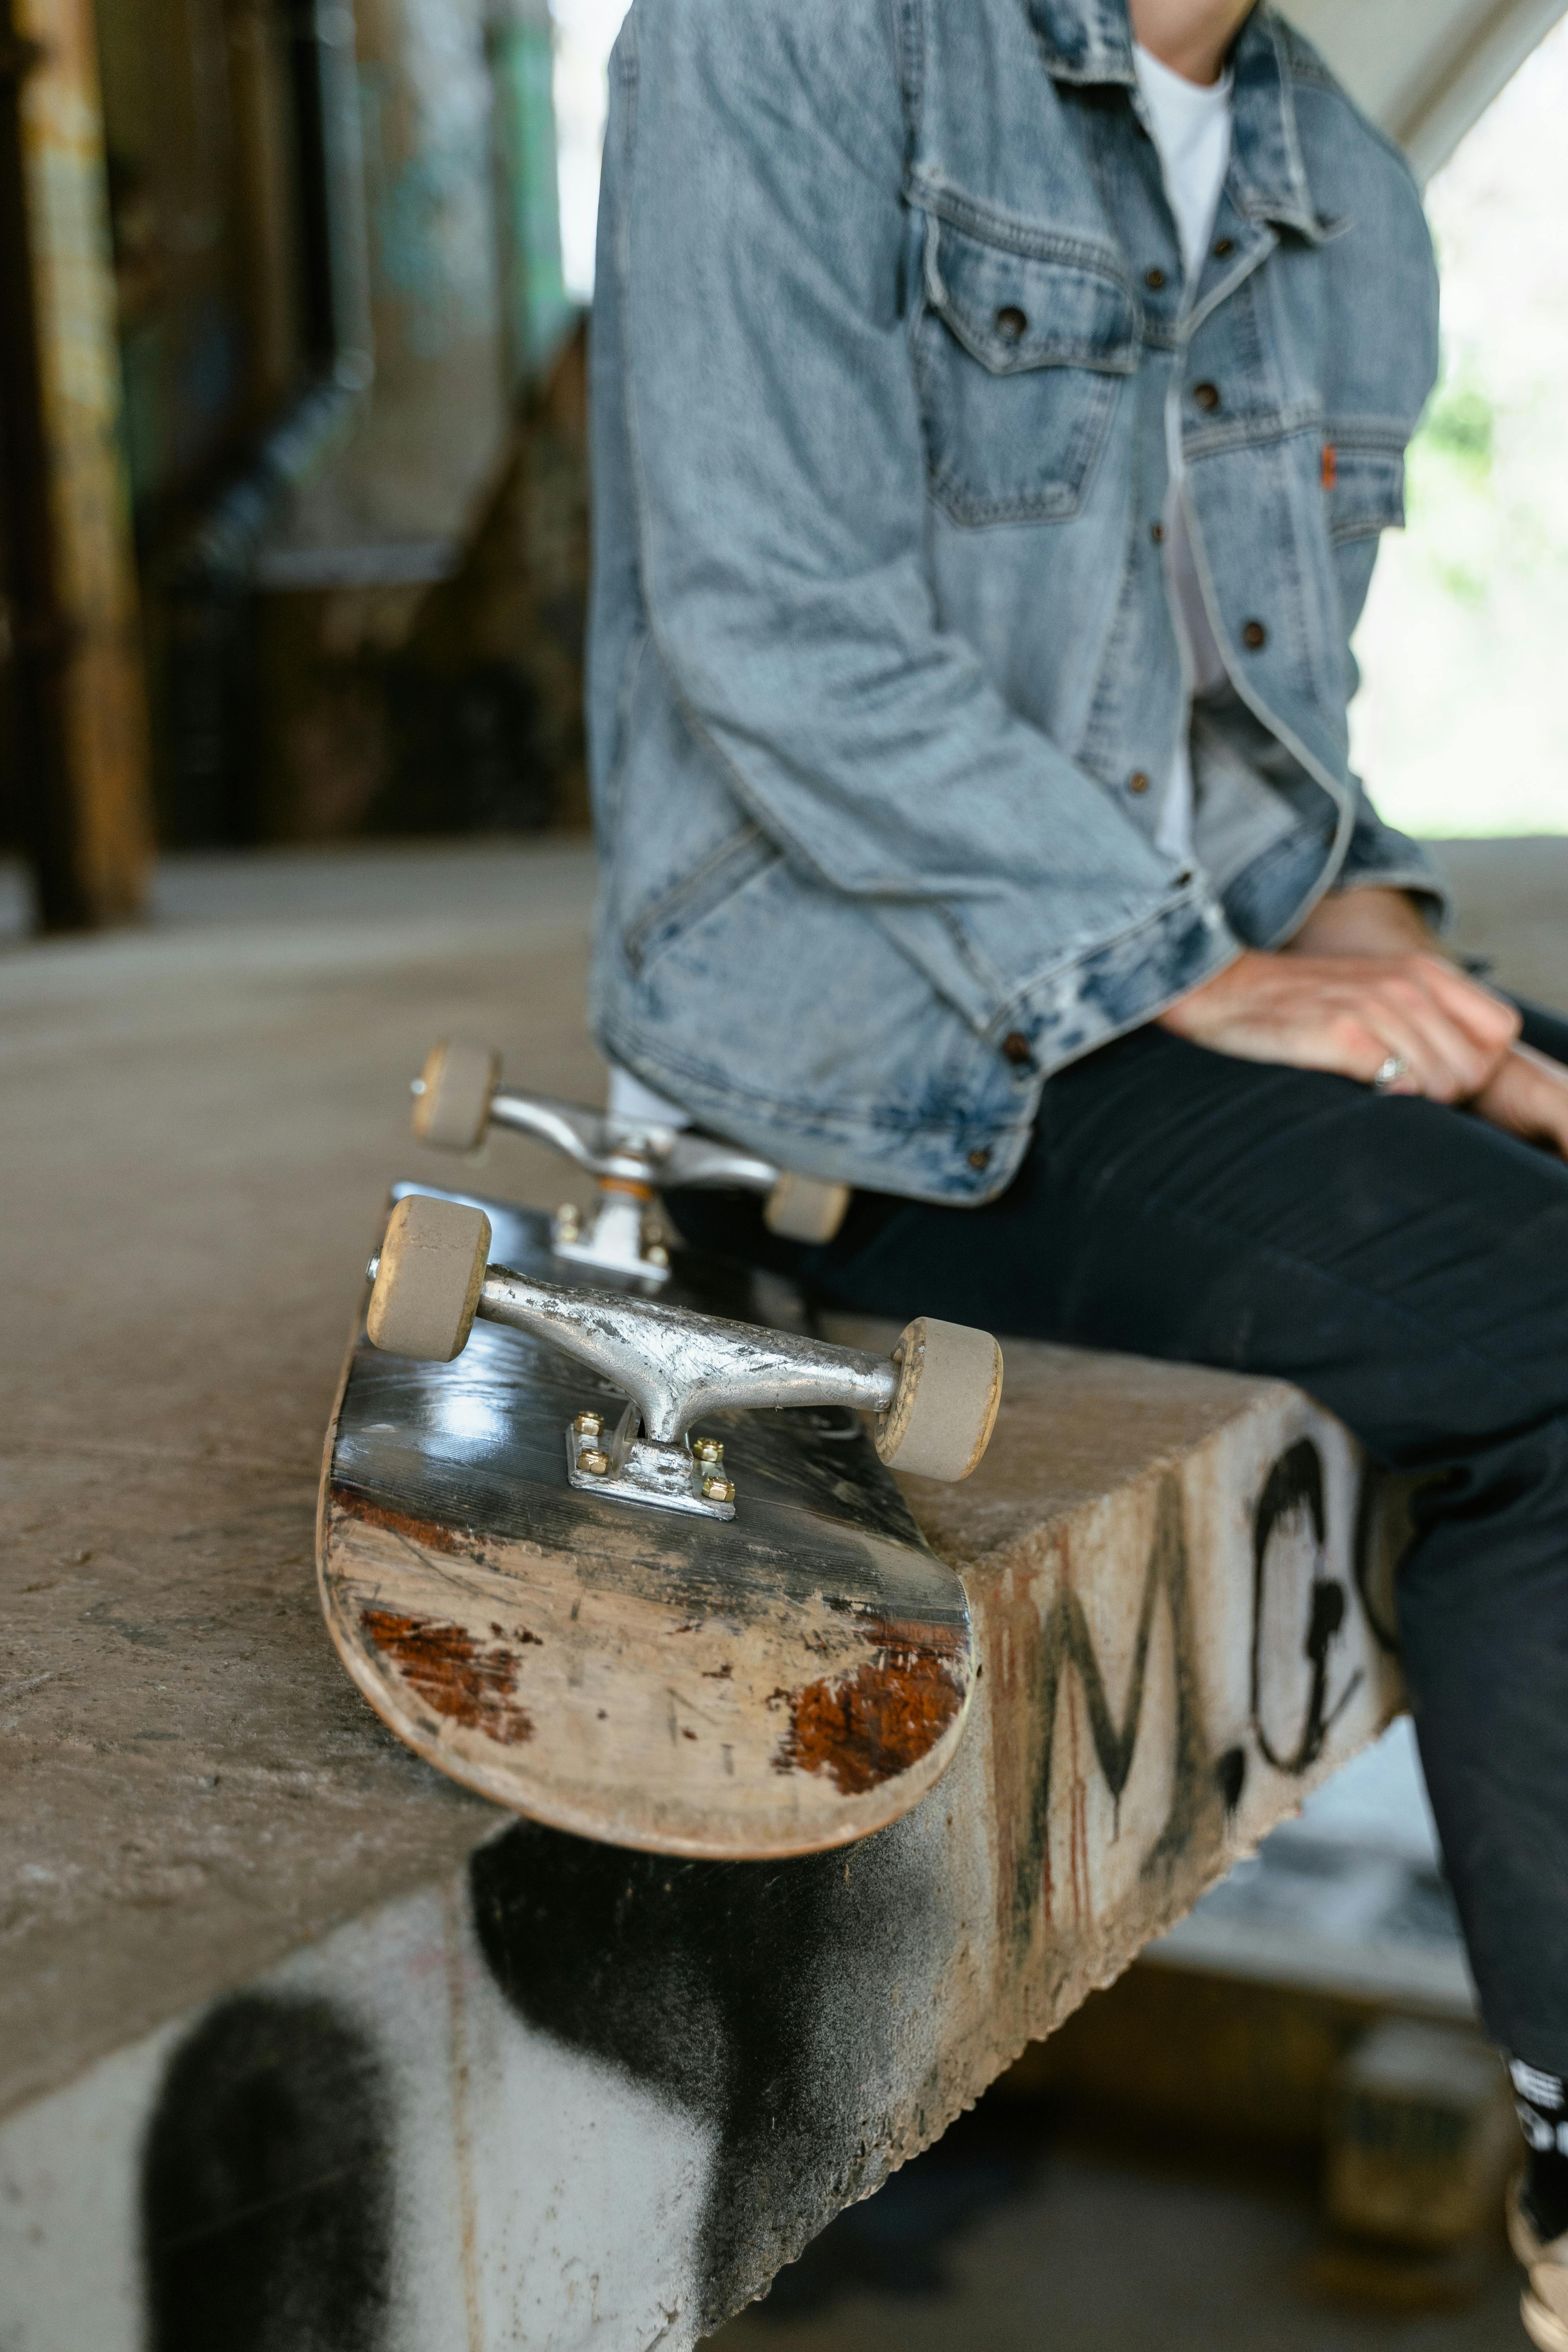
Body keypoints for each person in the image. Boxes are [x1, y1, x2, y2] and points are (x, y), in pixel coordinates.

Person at [585, 0, 1568, 2337]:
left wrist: (1418, 990)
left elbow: (1266, 757)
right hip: (869, 1064)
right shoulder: (785, 48)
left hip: (1175, 991)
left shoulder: (1338, 177)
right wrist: (1187, 975)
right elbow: (782, 630)